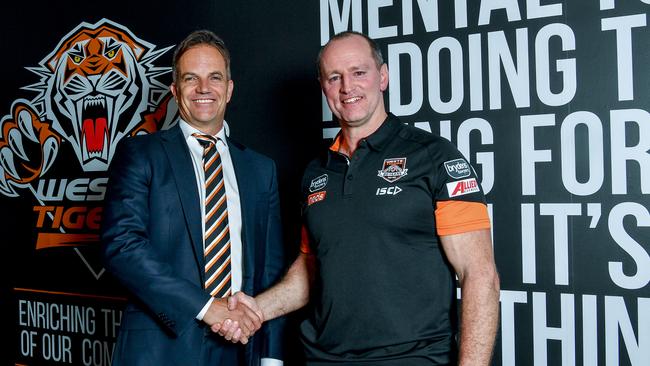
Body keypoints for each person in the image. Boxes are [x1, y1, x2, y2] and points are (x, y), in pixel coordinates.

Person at [217, 31, 500, 365]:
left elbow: (479, 275)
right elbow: (311, 268)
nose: (347, 87)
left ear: (382, 77)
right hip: (323, 358)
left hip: (413, 358)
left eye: (358, 72)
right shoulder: (316, 173)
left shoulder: (434, 158)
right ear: (324, 87)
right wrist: (255, 310)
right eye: (334, 77)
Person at [101, 30, 286, 366]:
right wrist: (206, 308)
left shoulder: (261, 170)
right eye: (191, 78)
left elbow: (270, 273)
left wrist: (271, 357)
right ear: (175, 90)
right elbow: (122, 246)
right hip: (161, 350)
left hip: (240, 350)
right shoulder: (141, 155)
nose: (204, 88)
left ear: (229, 89)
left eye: (215, 77)